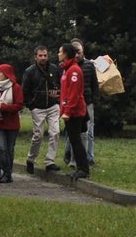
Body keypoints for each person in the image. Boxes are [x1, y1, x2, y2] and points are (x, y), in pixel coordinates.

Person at [21, 45, 61, 174]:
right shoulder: (30, 71)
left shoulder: (55, 69)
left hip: (53, 105)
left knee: (55, 132)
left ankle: (50, 161)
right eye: (40, 55)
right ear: (35, 57)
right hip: (37, 107)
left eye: (45, 55)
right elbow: (25, 90)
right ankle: (31, 159)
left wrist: (57, 95)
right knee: (38, 135)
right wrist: (30, 104)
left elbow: (61, 85)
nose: (43, 58)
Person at [0, 63, 23, 184]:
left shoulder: (16, 88)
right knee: (2, 148)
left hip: (11, 123)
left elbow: (19, 105)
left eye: (0, 72)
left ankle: (8, 173)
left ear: (7, 74)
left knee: (9, 149)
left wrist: (3, 107)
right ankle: (5, 172)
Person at [58, 42, 90, 180]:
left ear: (65, 53)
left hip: (75, 112)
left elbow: (74, 94)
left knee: (76, 140)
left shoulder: (74, 71)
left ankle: (83, 169)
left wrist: (68, 111)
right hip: (70, 111)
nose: (58, 54)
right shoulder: (67, 69)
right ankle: (81, 167)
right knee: (73, 140)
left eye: (60, 52)